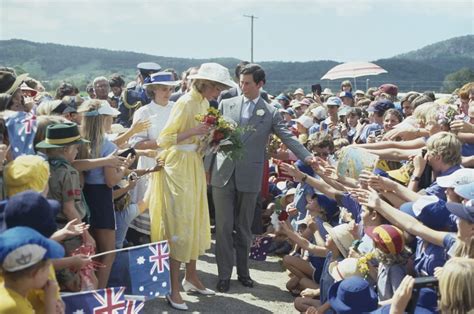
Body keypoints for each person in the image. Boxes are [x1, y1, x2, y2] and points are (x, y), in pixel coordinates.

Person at [208, 63, 315, 293]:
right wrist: (207, 168)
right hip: (222, 173)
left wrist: (309, 158)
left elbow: (288, 137)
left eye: (247, 83)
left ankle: (244, 273)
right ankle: (224, 275)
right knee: (224, 227)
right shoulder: (226, 104)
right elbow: (212, 139)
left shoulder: (271, 112)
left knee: (245, 227)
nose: (242, 86)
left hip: (250, 175)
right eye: (241, 82)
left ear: (260, 84)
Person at [146, 62, 236, 310]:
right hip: (177, 166)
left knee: (195, 219)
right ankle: (173, 289)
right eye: (217, 87)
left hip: (194, 164)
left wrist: (210, 141)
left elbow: (198, 138)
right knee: (179, 224)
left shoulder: (205, 103)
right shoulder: (185, 102)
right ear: (206, 84)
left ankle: (191, 277)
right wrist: (195, 131)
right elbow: (163, 139)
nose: (219, 92)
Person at [78, 99, 134, 288]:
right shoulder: (109, 147)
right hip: (101, 197)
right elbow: (111, 180)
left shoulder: (79, 142)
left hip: (83, 197)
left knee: (89, 249)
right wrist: (124, 169)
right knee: (107, 252)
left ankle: (88, 289)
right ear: (103, 119)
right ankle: (99, 293)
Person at [127, 71, 180, 244]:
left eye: (170, 89)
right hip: (151, 166)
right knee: (150, 214)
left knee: (171, 216)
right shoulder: (144, 112)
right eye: (163, 89)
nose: (167, 93)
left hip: (174, 166)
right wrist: (160, 143)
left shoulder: (176, 109)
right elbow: (136, 144)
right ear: (154, 90)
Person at [0, 227, 64, 314]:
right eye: (48, 267)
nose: (49, 273)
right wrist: (50, 301)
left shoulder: (7, 294)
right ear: (35, 273)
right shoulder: (15, 307)